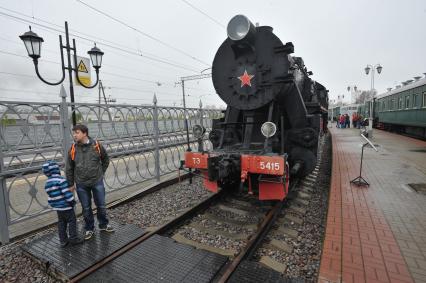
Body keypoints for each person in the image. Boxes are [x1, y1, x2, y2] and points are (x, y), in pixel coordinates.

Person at [66, 124, 114, 240]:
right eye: (74, 133)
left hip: (96, 181)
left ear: (85, 133)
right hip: (81, 183)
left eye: (77, 132)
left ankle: (103, 224)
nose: (74, 135)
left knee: (101, 205)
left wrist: (101, 173)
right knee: (86, 208)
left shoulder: (96, 145)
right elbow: (69, 168)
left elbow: (105, 159)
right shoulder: (73, 149)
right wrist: (70, 184)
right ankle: (89, 228)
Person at [42, 160, 83, 247]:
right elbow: (66, 193)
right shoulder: (61, 180)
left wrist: (53, 204)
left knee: (61, 223)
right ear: (56, 170)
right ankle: (73, 238)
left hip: (58, 208)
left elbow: (50, 195)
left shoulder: (47, 183)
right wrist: (72, 201)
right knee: (72, 221)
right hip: (67, 207)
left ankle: (63, 241)